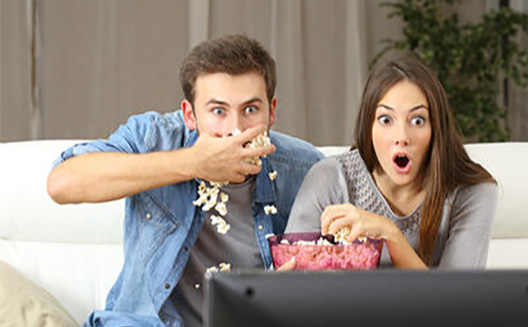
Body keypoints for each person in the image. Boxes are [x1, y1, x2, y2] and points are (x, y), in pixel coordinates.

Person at [47, 34, 323, 327]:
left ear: (272, 112)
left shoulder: (305, 169)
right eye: (218, 111)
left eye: (251, 110)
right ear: (189, 115)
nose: (235, 129)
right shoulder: (153, 137)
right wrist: (193, 162)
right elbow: (62, 183)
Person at [285, 57, 498, 269]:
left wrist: (390, 235)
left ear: (436, 128)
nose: (402, 136)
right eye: (386, 120)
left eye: (417, 120)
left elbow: (457, 300)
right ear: (368, 127)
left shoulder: (471, 192)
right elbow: (290, 281)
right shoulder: (330, 179)